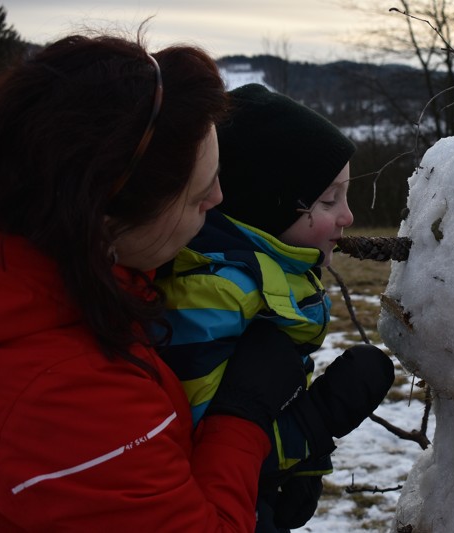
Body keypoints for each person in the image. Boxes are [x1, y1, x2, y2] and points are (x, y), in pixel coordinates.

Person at [0, 34, 309, 531]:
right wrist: (243, 418)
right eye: (197, 197)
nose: (220, 200)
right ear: (102, 219)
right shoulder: (63, 395)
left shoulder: (72, 276)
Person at [156, 83, 395, 532]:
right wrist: (304, 433)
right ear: (269, 208)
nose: (347, 216)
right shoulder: (216, 292)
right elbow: (197, 426)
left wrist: (307, 458)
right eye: (328, 200)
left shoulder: (275, 273)